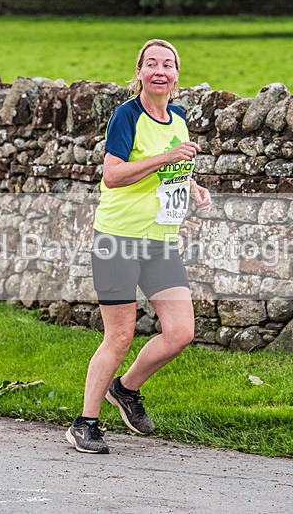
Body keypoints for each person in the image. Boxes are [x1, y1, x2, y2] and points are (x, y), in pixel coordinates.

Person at [66, 39, 212, 454]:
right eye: (152, 64)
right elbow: (113, 175)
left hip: (161, 241)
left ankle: (125, 389)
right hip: (118, 239)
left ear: (177, 75)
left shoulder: (179, 118)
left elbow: (172, 172)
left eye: (168, 64)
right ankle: (85, 423)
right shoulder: (125, 116)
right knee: (120, 335)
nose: (160, 71)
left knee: (181, 333)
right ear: (140, 72)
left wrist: (193, 186)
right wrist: (165, 160)